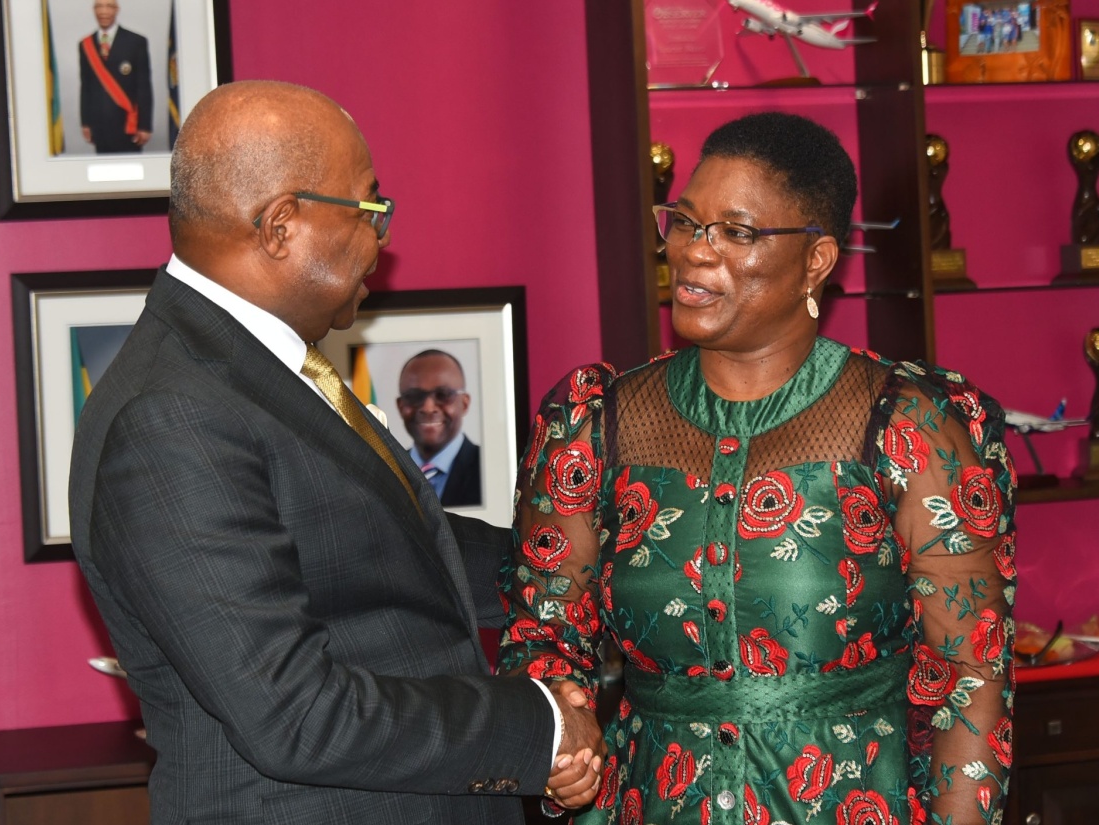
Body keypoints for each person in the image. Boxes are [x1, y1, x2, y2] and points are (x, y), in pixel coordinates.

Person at [68, 79, 603, 824]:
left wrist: (596, 570)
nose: (382, 238)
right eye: (370, 208)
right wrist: (536, 725)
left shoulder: (266, 370)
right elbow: (294, 713)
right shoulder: (172, 417)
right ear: (283, 225)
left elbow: (395, 553)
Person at [497, 111, 1017, 824]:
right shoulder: (595, 425)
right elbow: (543, 631)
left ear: (817, 259)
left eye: (735, 232)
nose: (692, 252)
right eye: (683, 221)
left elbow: (971, 674)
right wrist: (561, 732)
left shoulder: (908, 426)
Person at [397, 349, 483, 507]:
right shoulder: (387, 472)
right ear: (400, 406)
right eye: (415, 396)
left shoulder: (488, 467)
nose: (428, 408)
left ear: (464, 404)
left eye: (443, 394)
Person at [78, 0, 152, 153]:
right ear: (93, 10)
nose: (104, 12)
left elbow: (144, 86)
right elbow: (86, 86)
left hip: (127, 124)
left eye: (109, 6)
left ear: (117, 10)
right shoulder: (85, 44)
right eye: (99, 6)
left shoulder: (136, 42)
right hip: (99, 125)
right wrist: (86, 123)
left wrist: (145, 125)